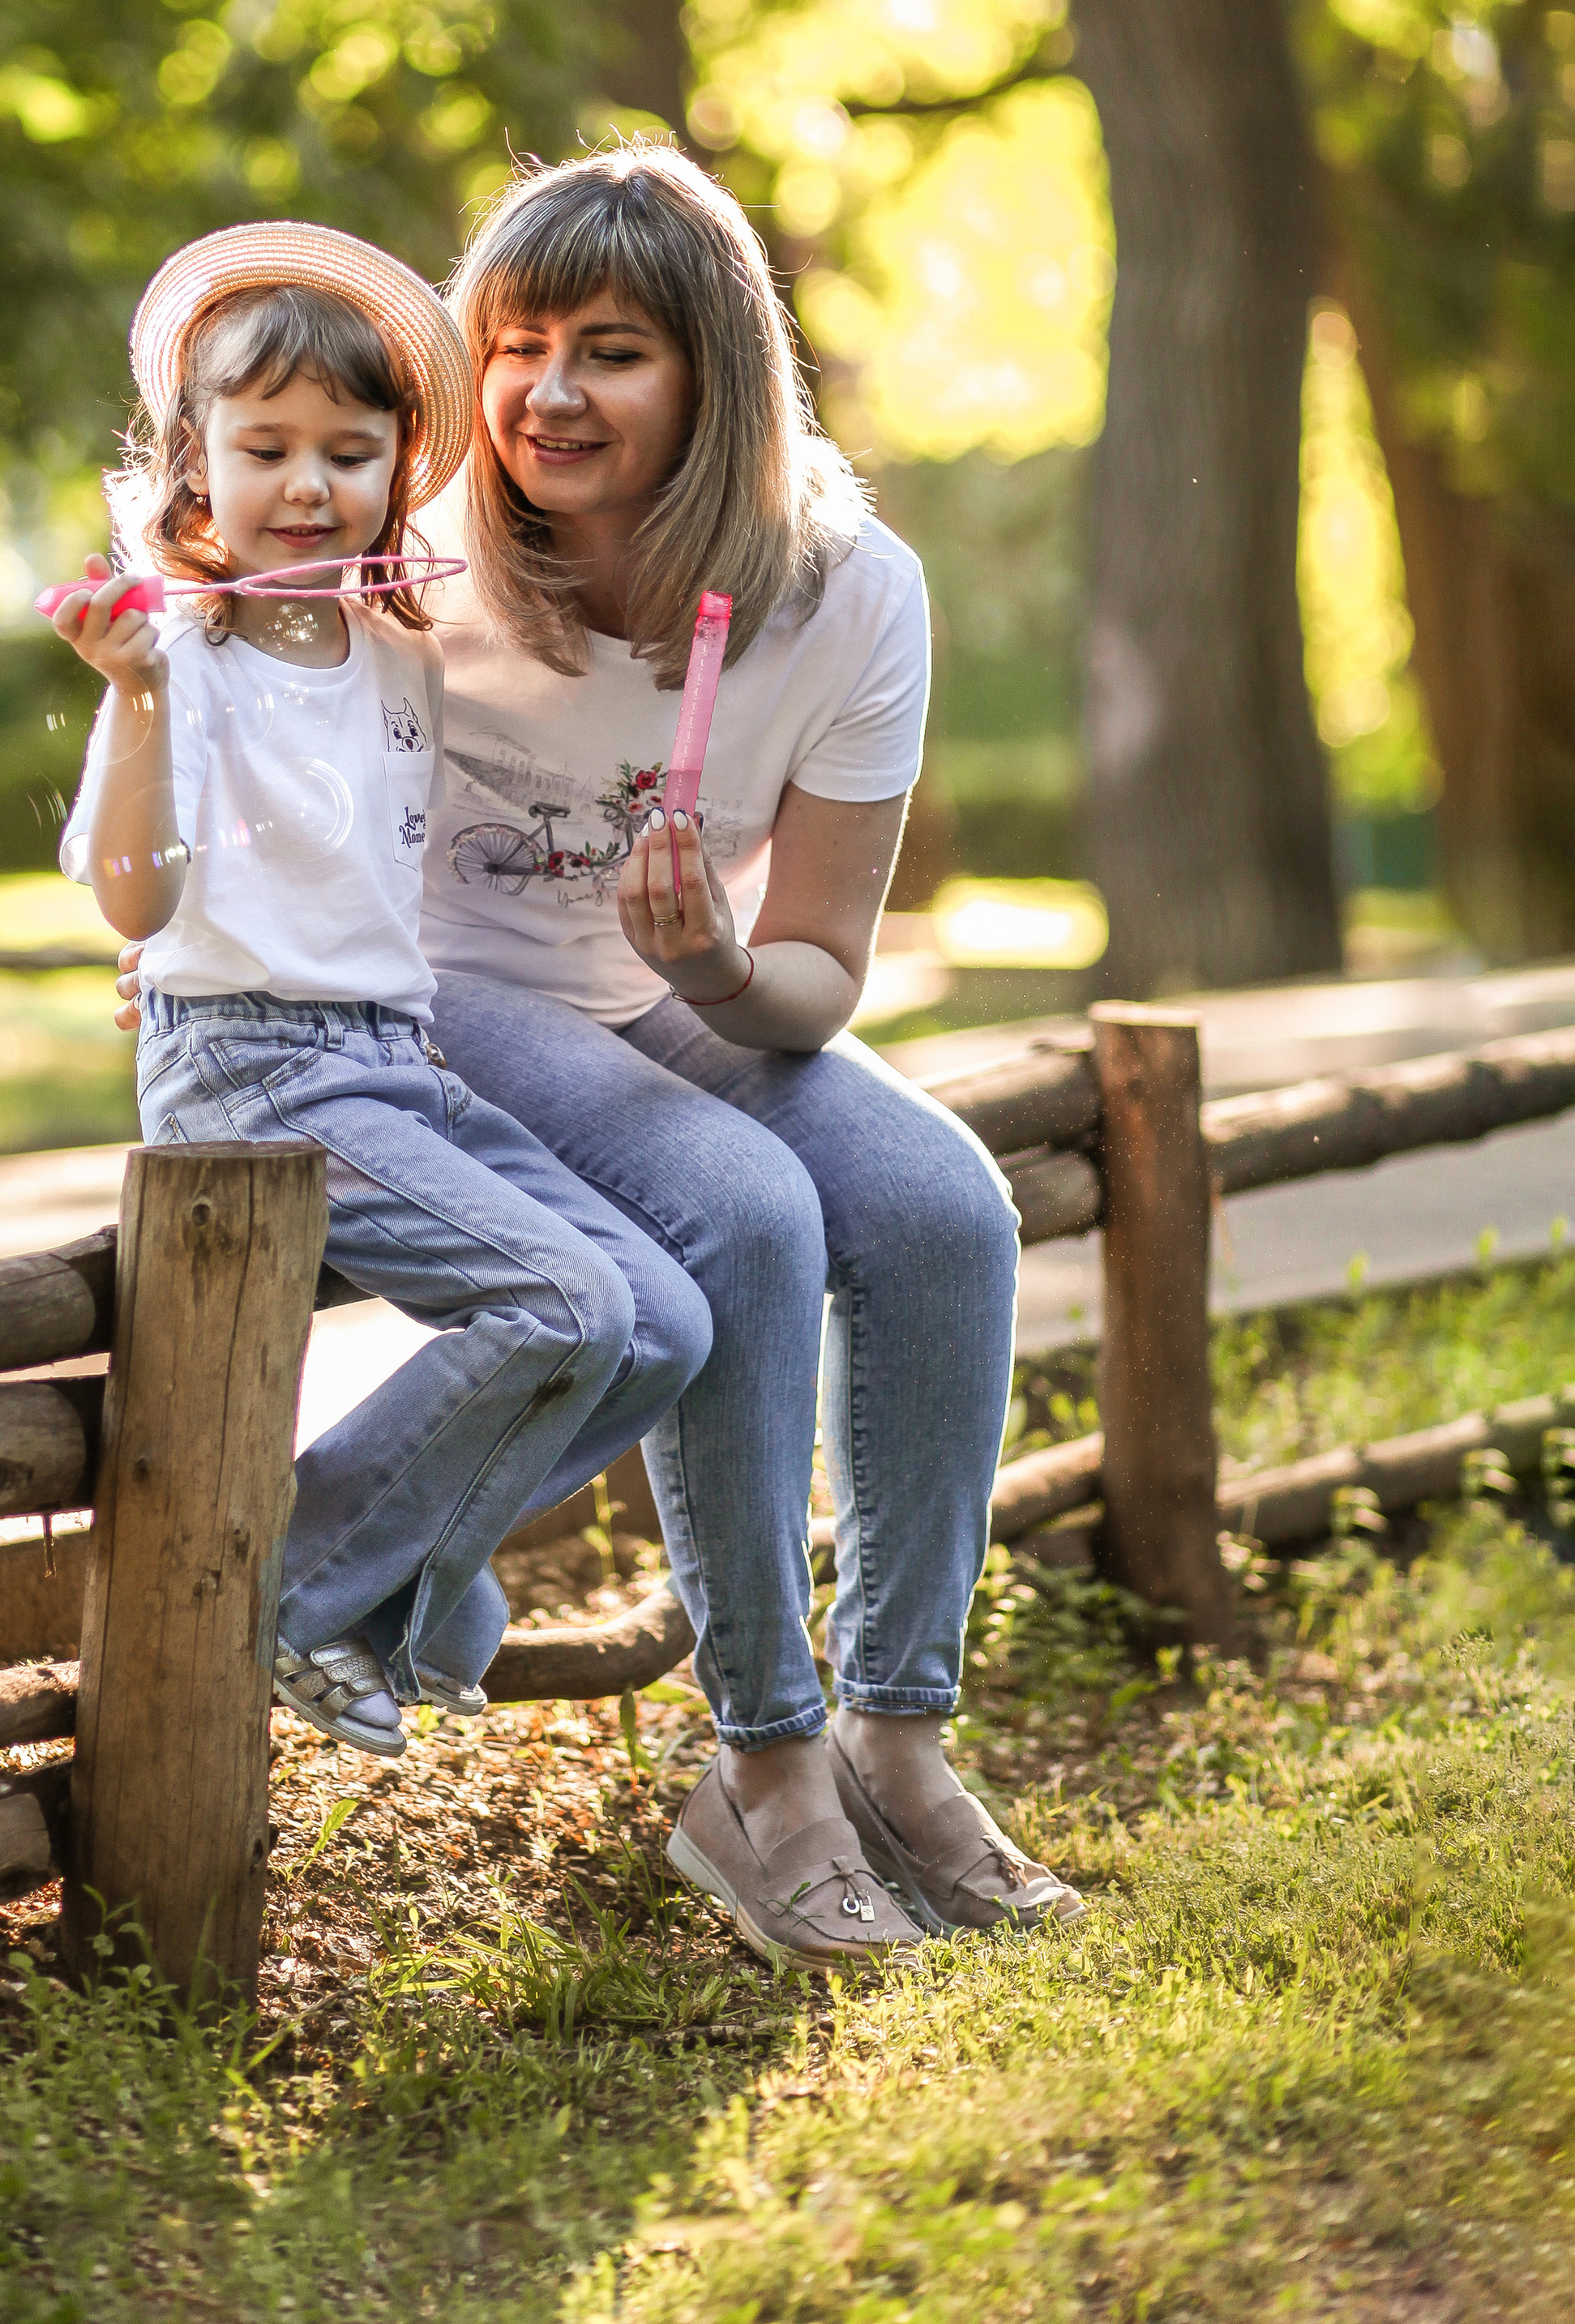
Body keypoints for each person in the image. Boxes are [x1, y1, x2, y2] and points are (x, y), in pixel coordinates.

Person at [113, 155, 1083, 1971]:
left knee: (941, 1210)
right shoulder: (413, 545)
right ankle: (767, 1769)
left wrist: (715, 960)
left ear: (712, 373)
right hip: (424, 996)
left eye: (612, 351)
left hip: (661, 998)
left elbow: (811, 981)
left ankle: (897, 1737)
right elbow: (204, 617)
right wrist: (188, 942)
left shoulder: (844, 596)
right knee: (737, 1211)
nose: (547, 395)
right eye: (517, 345)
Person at [54, 217, 714, 1772]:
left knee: (667, 1322)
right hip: (252, 1072)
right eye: (264, 447)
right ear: (194, 462)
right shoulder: (185, 657)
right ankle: (293, 1595)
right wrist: (140, 698)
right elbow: (138, 900)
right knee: (565, 1303)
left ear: (398, 468)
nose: (304, 486)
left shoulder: (393, 651)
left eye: (348, 453)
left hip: (390, 1056)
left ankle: (382, 1585)